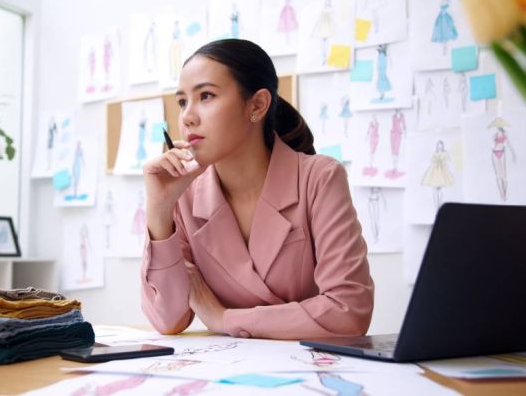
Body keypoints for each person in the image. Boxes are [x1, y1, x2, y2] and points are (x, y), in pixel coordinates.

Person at [141, 39, 373, 340]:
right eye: (183, 102)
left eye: (206, 96)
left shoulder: (320, 178)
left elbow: (348, 312)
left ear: (257, 104)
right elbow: (168, 320)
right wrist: (159, 210)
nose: (187, 117)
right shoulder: (184, 196)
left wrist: (224, 319)